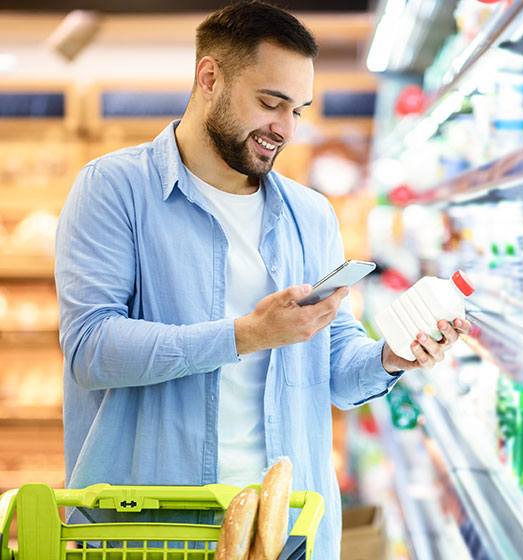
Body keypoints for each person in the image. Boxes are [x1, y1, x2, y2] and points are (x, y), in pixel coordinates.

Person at [55, 1, 471, 557]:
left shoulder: (310, 215)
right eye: (271, 103)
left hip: (288, 529)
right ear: (210, 78)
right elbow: (90, 350)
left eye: (298, 109)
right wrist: (247, 335)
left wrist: (390, 358)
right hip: (155, 526)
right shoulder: (114, 189)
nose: (286, 129)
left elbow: (333, 370)